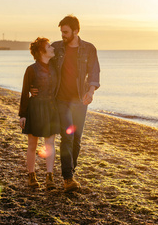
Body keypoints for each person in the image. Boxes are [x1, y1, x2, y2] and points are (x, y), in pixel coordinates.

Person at [52, 15, 100, 192]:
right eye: (61, 32)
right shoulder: (56, 47)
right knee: (67, 136)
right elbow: (43, 62)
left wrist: (90, 92)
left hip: (80, 100)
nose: (63, 35)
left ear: (76, 31)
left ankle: (71, 172)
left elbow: (94, 72)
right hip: (61, 99)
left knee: (77, 139)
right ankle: (68, 178)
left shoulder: (89, 49)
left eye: (66, 32)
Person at [19, 37, 60, 189]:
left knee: (50, 143)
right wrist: (22, 115)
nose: (52, 48)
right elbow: (24, 92)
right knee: (32, 144)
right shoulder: (31, 69)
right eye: (49, 47)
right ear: (42, 51)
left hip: (51, 108)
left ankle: (49, 177)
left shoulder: (55, 68)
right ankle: (31, 176)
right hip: (35, 108)